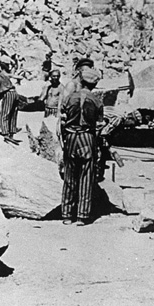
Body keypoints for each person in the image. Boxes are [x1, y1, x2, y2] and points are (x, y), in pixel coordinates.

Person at [59, 66, 104, 226]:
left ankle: (66, 215)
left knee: (70, 175)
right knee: (86, 176)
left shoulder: (69, 98)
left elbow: (62, 121)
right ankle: (82, 215)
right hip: (87, 137)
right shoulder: (97, 101)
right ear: (93, 85)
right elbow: (99, 126)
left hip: (71, 137)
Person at [0, 56, 20, 142]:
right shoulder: (6, 75)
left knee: (5, 113)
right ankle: (12, 132)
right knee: (13, 113)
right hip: (14, 92)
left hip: (7, 94)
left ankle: (5, 132)